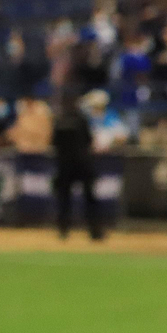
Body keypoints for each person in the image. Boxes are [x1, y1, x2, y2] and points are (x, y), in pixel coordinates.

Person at [51, 93, 104, 241]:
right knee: (89, 199)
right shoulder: (82, 120)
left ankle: (63, 230)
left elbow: (54, 142)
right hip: (83, 164)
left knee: (64, 199)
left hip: (64, 165)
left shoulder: (59, 121)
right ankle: (94, 231)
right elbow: (89, 141)